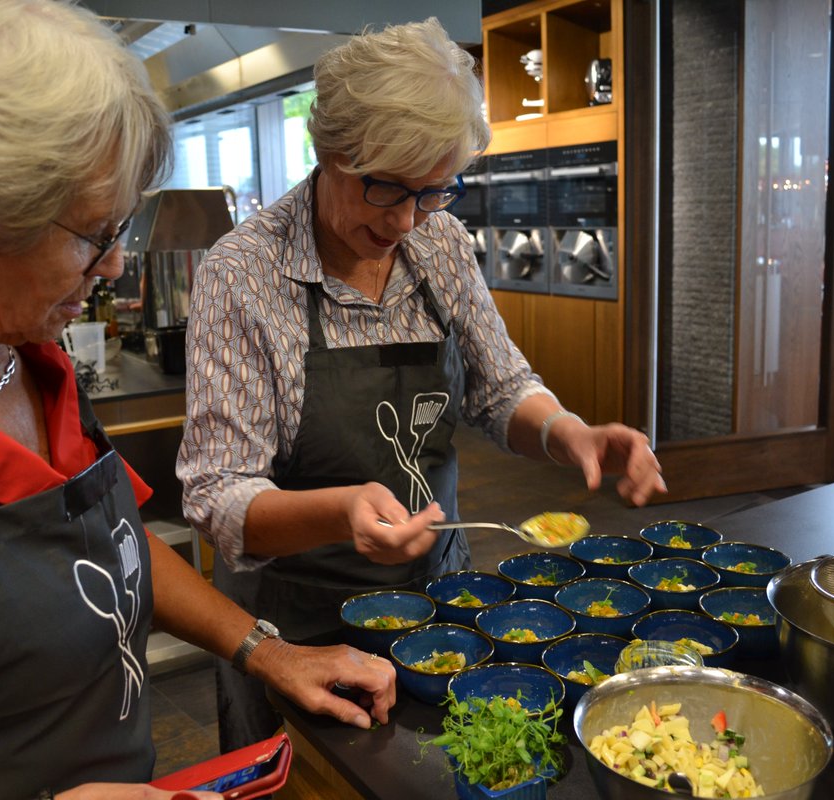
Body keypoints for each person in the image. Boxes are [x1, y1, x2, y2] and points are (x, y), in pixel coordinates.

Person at [0, 1, 396, 798]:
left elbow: (103, 535)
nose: (116, 265)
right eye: (90, 234)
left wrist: (266, 650)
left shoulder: (17, 338)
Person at [177, 17, 667, 751]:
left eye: (436, 191)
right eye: (386, 190)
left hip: (442, 602)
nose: (407, 220)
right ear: (329, 151)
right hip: (299, 626)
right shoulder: (243, 273)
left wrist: (568, 432)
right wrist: (342, 511)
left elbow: (499, 388)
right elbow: (217, 496)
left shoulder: (438, 241)